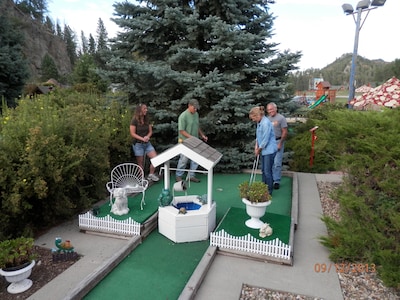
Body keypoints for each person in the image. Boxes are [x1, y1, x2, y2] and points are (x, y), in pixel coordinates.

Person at [176, 99, 208, 183]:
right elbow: (181, 130)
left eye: (196, 108)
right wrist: (191, 137)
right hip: (184, 141)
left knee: (195, 159)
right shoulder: (183, 116)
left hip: (195, 141)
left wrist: (202, 135)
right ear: (189, 106)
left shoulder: (196, 114)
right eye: (194, 108)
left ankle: (191, 175)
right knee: (184, 159)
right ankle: (179, 176)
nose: (195, 110)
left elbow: (197, 126)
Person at [249, 106, 277, 195]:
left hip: (269, 150)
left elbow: (265, 139)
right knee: (264, 170)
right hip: (263, 150)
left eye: (253, 118)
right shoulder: (259, 122)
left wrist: (259, 149)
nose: (253, 120)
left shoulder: (266, 123)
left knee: (267, 171)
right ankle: (263, 188)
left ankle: (269, 191)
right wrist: (256, 146)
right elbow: (258, 135)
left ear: (257, 116)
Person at [130, 103, 159, 182]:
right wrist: (142, 139)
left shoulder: (147, 119)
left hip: (147, 143)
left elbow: (150, 131)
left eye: (146, 108)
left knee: (155, 158)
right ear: (140, 110)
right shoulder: (134, 120)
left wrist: (147, 137)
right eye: (144, 109)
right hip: (138, 144)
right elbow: (132, 133)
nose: (146, 110)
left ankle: (151, 174)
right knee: (140, 163)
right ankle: (141, 179)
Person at [266, 102, 288, 190]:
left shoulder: (281, 118)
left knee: (277, 163)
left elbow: (285, 132)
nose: (270, 111)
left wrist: (280, 143)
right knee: (269, 163)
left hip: (278, 141)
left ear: (275, 109)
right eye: (268, 110)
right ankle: (270, 180)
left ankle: (276, 181)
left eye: (271, 109)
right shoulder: (267, 119)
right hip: (269, 143)